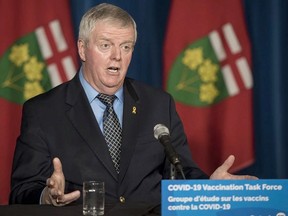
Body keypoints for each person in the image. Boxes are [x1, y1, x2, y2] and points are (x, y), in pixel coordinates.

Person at [9, 3, 257, 206]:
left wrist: (208, 188)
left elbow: (182, 174)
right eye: (106, 45)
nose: (117, 56)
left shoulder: (159, 104)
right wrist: (46, 196)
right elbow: (21, 191)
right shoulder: (43, 112)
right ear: (82, 50)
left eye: (126, 47)